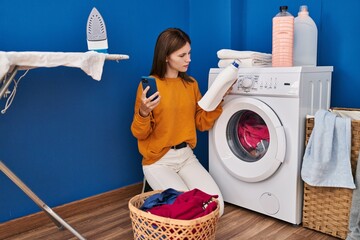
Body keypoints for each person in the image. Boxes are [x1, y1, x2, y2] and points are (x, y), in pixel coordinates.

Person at [131, 28, 231, 216]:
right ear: (166, 57)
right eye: (182, 55)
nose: (189, 59)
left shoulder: (190, 84)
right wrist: (143, 112)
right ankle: (155, 194)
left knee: (217, 207)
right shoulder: (150, 86)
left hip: (186, 157)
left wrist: (219, 98)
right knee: (187, 209)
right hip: (158, 161)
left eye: (189, 53)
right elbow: (140, 133)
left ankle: (159, 201)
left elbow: (201, 123)